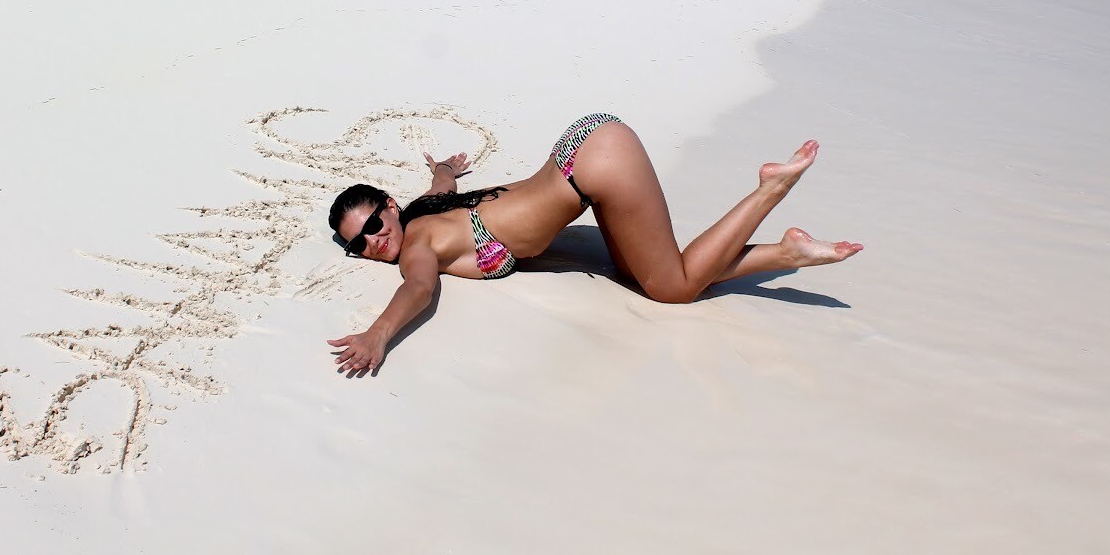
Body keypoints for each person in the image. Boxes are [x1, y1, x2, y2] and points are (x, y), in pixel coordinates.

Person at [326, 114, 862, 375]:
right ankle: (785, 253)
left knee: (673, 289)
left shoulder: (417, 244)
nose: (373, 240)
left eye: (373, 223)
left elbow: (419, 288)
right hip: (583, 152)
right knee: (641, 275)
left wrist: (378, 336)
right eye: (358, 244)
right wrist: (445, 166)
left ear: (389, 206)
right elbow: (443, 183)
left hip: (596, 168)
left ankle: (769, 190)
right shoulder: (425, 209)